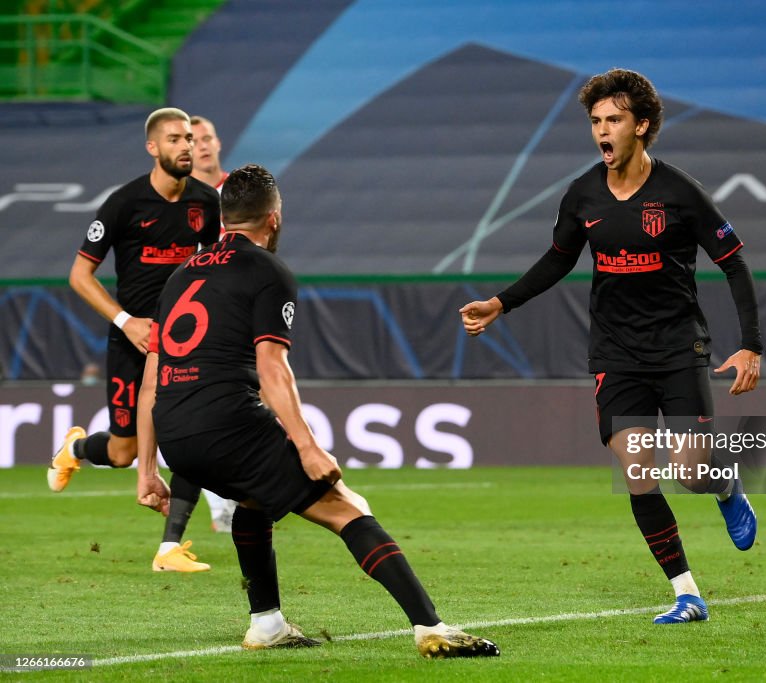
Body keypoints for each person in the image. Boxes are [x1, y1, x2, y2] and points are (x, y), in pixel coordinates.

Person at [134, 164, 499, 657]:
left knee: (254, 502)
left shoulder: (180, 275)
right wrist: (308, 447)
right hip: (227, 421)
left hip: (176, 435)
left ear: (224, 220)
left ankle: (266, 623)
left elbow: (151, 380)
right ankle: (431, 628)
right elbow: (272, 367)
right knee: (346, 506)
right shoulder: (268, 271)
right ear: (275, 219)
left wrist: (147, 468)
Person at [459, 69, 761, 625]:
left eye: (614, 119)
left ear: (641, 126)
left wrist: (751, 347)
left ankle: (726, 486)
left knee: (692, 470)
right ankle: (686, 593)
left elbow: (733, 261)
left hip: (677, 347)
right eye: (596, 121)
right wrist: (501, 303)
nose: (603, 130)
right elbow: (557, 259)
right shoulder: (583, 194)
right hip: (615, 352)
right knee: (638, 468)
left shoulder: (680, 193)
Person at [49, 107, 221, 572]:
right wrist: (127, 320)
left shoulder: (206, 203)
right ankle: (76, 449)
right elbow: (80, 275)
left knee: (188, 429)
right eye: (174, 139)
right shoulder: (124, 203)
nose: (185, 146)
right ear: (152, 147)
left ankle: (170, 547)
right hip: (133, 338)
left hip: (184, 340)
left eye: (188, 138)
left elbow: (213, 265)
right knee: (123, 452)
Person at [188, 114, 236, 532]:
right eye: (193, 139)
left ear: (218, 142)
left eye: (207, 138)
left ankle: (228, 498)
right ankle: (222, 502)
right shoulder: (179, 198)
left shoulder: (238, 191)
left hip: (236, 304)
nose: (201, 145)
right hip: (194, 312)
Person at [189, 115, 229, 191]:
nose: (203, 146)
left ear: (218, 143)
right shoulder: (177, 197)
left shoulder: (243, 190)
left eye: (207, 138)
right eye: (194, 142)